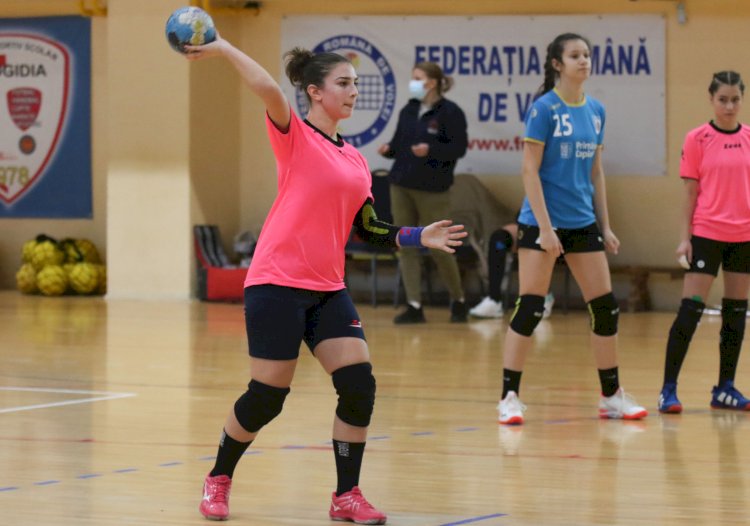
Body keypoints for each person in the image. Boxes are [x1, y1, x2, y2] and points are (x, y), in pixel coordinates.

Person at [183, 35, 466, 523]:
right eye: (343, 83)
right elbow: (269, 87)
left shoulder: (354, 159)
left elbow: (371, 228)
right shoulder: (294, 135)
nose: (353, 92)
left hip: (328, 289)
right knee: (267, 397)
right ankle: (219, 477)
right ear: (315, 92)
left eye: (355, 84)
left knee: (359, 384)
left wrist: (421, 235)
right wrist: (225, 47)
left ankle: (345, 495)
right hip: (275, 283)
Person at [496, 33, 647, 426]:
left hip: (582, 223)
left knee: (605, 308)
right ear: (557, 64)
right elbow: (529, 170)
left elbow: (596, 172)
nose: (584, 61)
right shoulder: (544, 109)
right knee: (530, 307)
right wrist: (545, 230)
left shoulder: (596, 110)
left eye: (587, 55)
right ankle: (509, 396)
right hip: (542, 222)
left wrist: (606, 226)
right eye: (575, 55)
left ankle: (611, 395)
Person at [658, 71, 750, 414]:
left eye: (735, 99)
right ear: (711, 100)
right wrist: (685, 240)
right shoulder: (697, 138)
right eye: (723, 99)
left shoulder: (749, 138)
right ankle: (668, 389)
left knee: (735, 315)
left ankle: (725, 388)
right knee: (690, 311)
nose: (729, 106)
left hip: (743, 239)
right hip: (707, 236)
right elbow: (690, 194)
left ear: (742, 99)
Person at [378, 62, 469, 324]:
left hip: (433, 188)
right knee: (406, 244)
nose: (413, 83)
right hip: (401, 183)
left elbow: (459, 149)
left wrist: (431, 150)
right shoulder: (409, 109)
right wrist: (389, 150)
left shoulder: (451, 113)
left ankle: (458, 300)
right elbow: (398, 144)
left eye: (418, 78)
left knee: (440, 246)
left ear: (431, 82)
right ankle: (414, 305)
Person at [469, 221, 555, 319]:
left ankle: (543, 296)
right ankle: (494, 300)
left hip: (564, 226)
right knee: (499, 239)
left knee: (537, 238)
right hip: (531, 222)